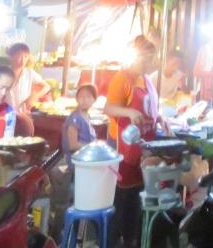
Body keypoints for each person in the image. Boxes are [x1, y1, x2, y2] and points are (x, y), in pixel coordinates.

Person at [105, 38, 159, 248]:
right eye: (145, 59)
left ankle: (132, 240)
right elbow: (109, 108)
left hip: (141, 146)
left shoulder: (147, 80)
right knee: (121, 197)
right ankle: (115, 240)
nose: (148, 64)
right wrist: (128, 112)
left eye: (151, 60)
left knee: (136, 196)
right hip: (122, 146)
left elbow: (150, 109)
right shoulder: (122, 78)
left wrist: (160, 118)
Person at [61, 84, 98, 156]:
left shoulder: (87, 116)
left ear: (94, 100)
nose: (85, 100)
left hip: (87, 155)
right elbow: (73, 146)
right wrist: (93, 146)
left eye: (88, 97)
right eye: (81, 96)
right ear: (76, 99)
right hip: (76, 158)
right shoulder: (74, 118)